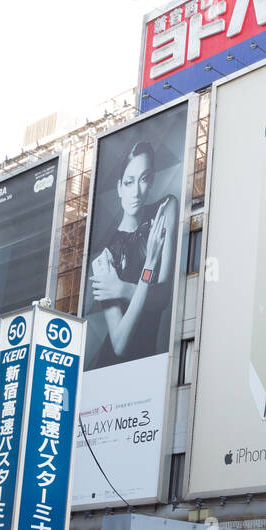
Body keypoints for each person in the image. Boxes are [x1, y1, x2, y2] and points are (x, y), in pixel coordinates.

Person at [86, 140, 178, 370]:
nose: (136, 192)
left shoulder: (165, 210)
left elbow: (164, 296)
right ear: (119, 188)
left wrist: (122, 289)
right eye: (129, 182)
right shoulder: (105, 257)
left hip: (151, 363)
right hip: (112, 369)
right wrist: (150, 264)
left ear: (152, 180)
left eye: (144, 179)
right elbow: (119, 344)